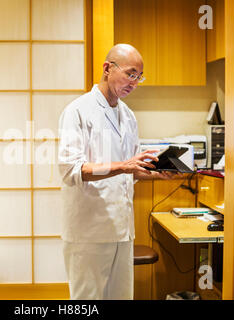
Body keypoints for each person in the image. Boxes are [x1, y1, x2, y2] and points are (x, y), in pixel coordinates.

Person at [58, 44, 178, 300]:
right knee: (86, 300)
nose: (134, 83)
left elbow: (131, 169)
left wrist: (155, 174)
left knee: (121, 297)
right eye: (130, 74)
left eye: (139, 77)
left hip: (122, 229)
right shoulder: (77, 111)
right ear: (107, 68)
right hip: (88, 230)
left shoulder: (128, 116)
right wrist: (123, 165)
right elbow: (71, 170)